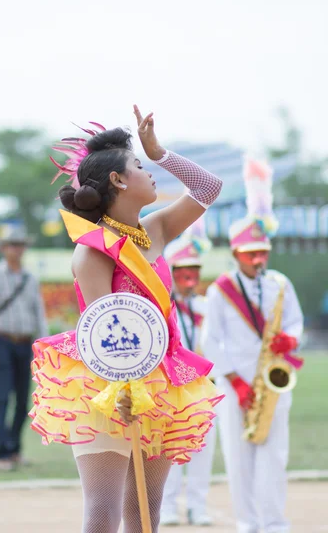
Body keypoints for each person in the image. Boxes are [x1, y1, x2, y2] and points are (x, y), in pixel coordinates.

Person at [29, 106, 224, 533]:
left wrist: (159, 153)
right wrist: (124, 389)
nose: (150, 173)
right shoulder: (94, 249)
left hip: (162, 380)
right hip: (107, 382)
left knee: (146, 513)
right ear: (118, 180)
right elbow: (100, 330)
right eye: (140, 165)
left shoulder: (156, 229)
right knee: (103, 512)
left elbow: (209, 186)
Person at [202, 157, 304, 533]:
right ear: (235, 254)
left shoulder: (279, 283)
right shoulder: (219, 291)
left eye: (263, 252)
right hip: (235, 382)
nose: (259, 260)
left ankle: (275, 521)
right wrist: (236, 380)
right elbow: (209, 339)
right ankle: (248, 522)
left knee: (275, 456)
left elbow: (294, 319)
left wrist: (290, 336)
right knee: (238, 456)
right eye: (251, 254)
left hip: (272, 379)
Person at [0, 220, 48, 471]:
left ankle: (15, 449)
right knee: (2, 398)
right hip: (1, 340)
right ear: (3, 248)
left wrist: (43, 345)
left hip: (25, 342)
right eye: (12, 245)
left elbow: (39, 313)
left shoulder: (30, 279)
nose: (16, 249)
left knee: (22, 400)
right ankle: (2, 452)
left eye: (20, 245)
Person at [160, 219, 217, 527]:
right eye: (183, 274)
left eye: (194, 274)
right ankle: (167, 506)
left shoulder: (208, 306)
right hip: (173, 387)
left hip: (204, 387)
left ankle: (198, 506)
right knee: (171, 448)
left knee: (203, 450)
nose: (190, 280)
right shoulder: (164, 309)